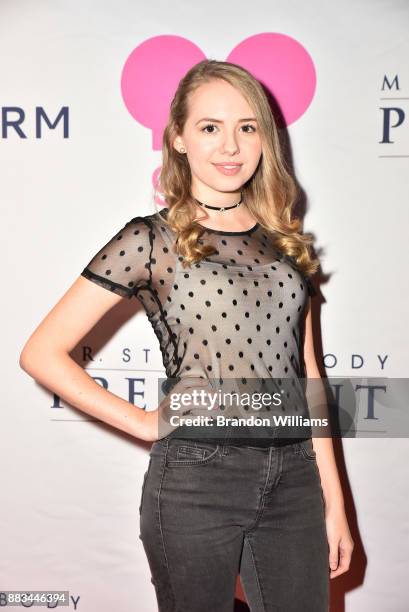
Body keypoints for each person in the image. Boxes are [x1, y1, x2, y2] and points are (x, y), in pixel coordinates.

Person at [19, 59, 353, 611]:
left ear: (265, 139)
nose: (230, 146)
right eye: (209, 127)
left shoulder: (287, 245)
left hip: (295, 479)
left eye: (247, 127)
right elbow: (42, 353)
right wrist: (149, 424)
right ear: (178, 138)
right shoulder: (151, 240)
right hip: (197, 481)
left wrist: (334, 502)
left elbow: (309, 379)